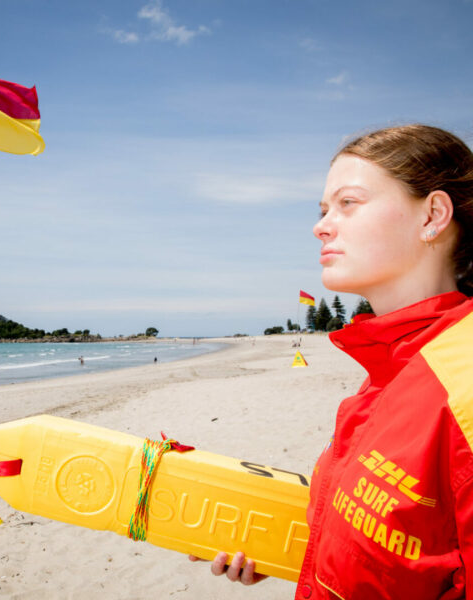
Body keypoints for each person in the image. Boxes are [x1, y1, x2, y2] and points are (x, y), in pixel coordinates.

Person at [191, 124, 473, 598]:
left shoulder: (461, 379)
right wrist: (303, 551)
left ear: (433, 215)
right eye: (324, 210)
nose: (320, 226)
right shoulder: (389, 369)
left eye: (348, 203)